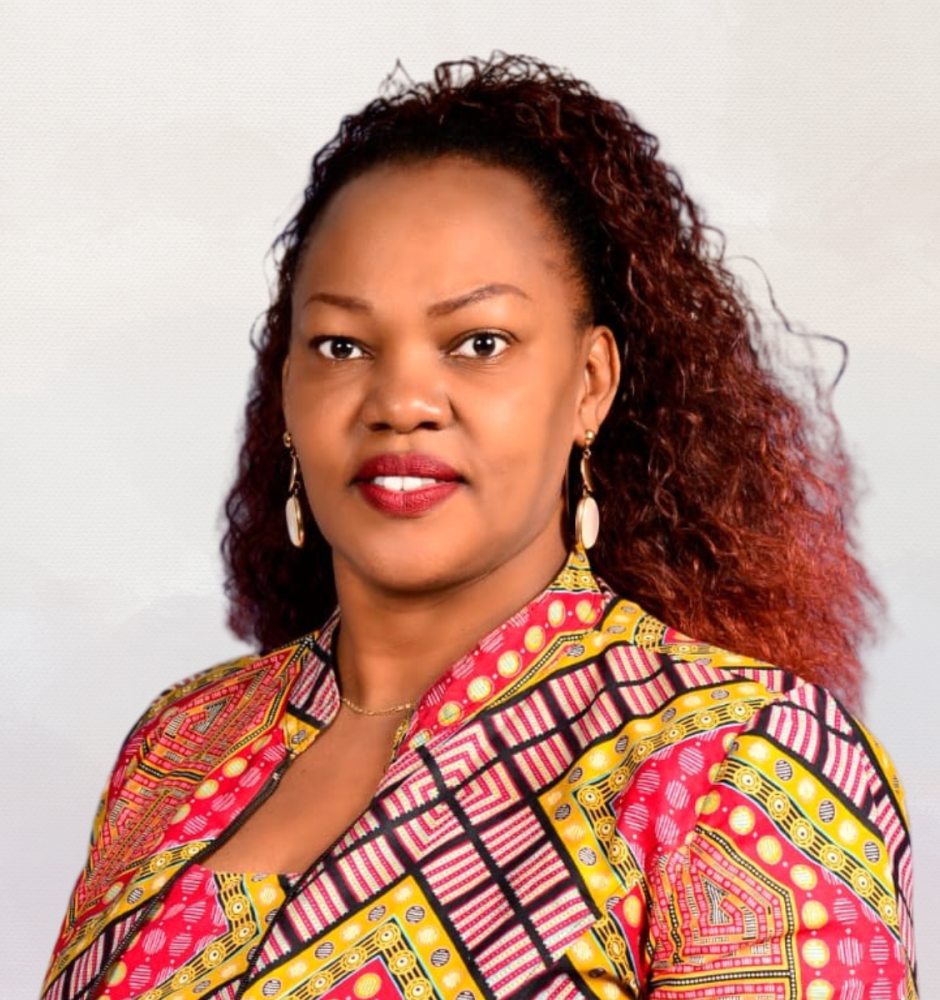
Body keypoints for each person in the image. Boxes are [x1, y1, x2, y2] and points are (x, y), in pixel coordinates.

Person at [42, 55, 916, 1000]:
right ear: (287, 387)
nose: (401, 400)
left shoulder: (738, 762)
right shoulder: (178, 746)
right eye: (342, 345)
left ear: (589, 386)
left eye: (478, 343)